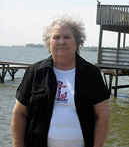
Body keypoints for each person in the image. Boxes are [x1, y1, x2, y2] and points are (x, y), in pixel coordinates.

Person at [11, 15, 110, 147]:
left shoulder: (91, 73)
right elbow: (19, 113)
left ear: (77, 42)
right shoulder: (35, 72)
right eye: (56, 37)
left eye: (67, 37)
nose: (61, 41)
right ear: (49, 42)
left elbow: (102, 115)